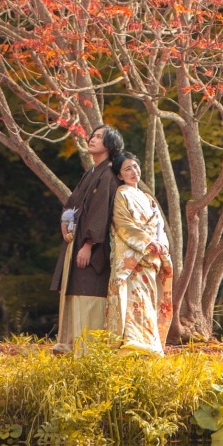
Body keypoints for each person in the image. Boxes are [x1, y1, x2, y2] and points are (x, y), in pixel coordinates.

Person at [50, 124, 124, 354]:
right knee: (74, 291)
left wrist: (89, 245)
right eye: (93, 135)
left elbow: (100, 211)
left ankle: (88, 352)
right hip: (77, 239)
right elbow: (73, 202)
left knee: (89, 292)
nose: (92, 139)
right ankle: (69, 345)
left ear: (110, 145)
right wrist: (65, 221)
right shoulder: (92, 172)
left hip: (92, 248)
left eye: (99, 137)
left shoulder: (109, 174)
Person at [105, 151, 173, 355]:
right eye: (127, 169)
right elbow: (123, 224)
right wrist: (148, 242)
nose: (134, 171)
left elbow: (160, 225)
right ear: (119, 175)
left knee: (150, 301)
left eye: (135, 166)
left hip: (152, 257)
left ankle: (150, 345)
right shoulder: (121, 194)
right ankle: (132, 345)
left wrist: (160, 244)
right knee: (133, 301)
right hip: (135, 258)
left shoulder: (148, 198)